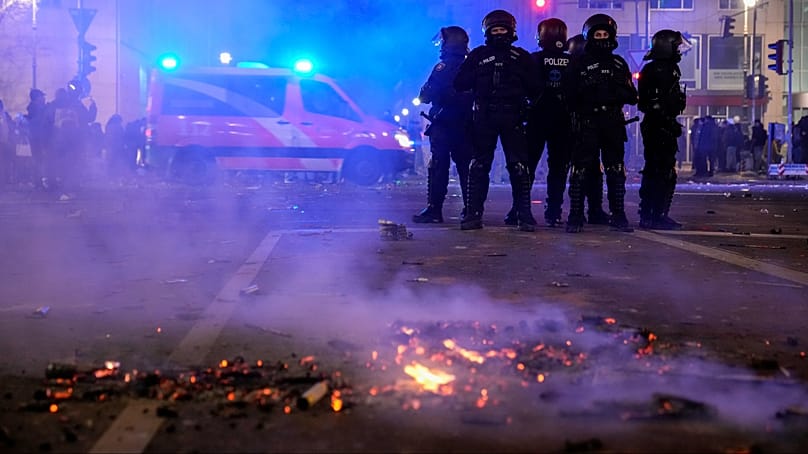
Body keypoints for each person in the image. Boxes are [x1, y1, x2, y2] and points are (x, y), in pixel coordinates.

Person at [454, 9, 541, 231]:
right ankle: (473, 213)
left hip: (513, 115)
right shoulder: (478, 56)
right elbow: (460, 83)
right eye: (496, 30)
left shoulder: (521, 57)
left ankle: (524, 214)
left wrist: (526, 104)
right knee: (479, 165)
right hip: (484, 116)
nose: (500, 34)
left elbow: (536, 88)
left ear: (511, 31)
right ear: (488, 32)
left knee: (519, 166)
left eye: (503, 30)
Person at [564, 14, 638, 233]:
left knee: (615, 169)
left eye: (606, 34)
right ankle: (575, 215)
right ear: (590, 36)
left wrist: (614, 91)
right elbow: (568, 95)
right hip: (587, 121)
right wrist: (587, 91)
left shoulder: (618, 63)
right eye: (598, 34)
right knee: (581, 169)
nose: (602, 38)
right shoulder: (579, 63)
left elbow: (632, 95)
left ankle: (618, 215)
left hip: (612, 121)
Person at [510, 18, 569, 228]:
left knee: (527, 167)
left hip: (537, 118)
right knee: (559, 168)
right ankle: (553, 212)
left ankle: (518, 210)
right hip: (563, 120)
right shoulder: (571, 60)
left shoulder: (533, 59)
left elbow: (522, 85)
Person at [412, 26, 473, 224]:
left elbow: (426, 94)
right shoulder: (472, 66)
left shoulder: (442, 68)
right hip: (466, 125)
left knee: (438, 167)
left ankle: (434, 210)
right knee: (466, 168)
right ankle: (471, 210)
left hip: (444, 124)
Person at [637, 29, 689, 230]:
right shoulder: (656, 70)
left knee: (666, 171)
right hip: (657, 124)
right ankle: (650, 214)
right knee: (656, 171)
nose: (679, 50)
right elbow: (651, 102)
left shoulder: (669, 69)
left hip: (665, 123)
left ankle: (659, 213)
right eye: (675, 46)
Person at [566, 33, 610, 226]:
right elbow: (570, 97)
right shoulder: (575, 69)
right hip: (580, 123)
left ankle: (594, 210)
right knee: (582, 169)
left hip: (596, 122)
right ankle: (578, 212)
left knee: (593, 170)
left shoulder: (603, 65)